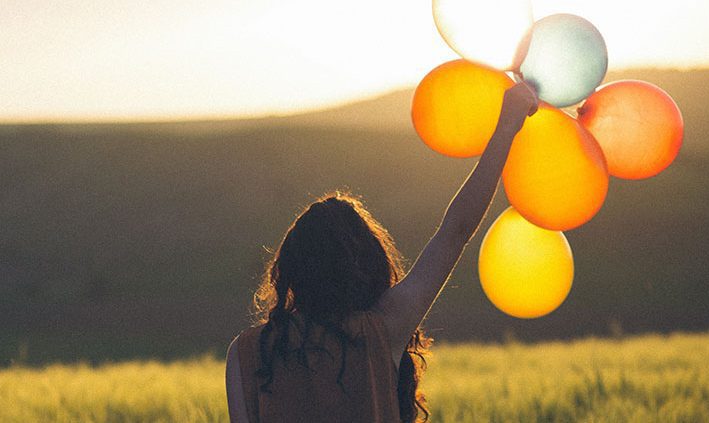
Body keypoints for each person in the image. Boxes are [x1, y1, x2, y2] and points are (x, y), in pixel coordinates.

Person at [226, 82, 539, 423]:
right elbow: (456, 231)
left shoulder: (246, 353)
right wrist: (507, 124)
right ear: (366, 265)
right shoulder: (380, 331)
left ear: (291, 268)